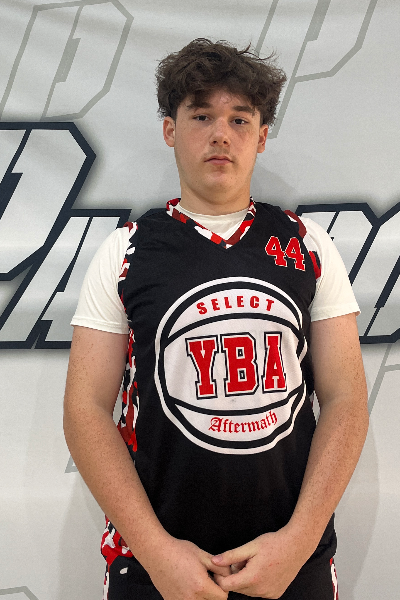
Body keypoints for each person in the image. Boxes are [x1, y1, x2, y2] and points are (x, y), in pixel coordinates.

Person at [64, 38, 369, 600]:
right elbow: (85, 410)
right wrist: (156, 551)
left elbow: (346, 397)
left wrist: (298, 540)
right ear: (170, 130)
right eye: (201, 116)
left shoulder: (307, 244)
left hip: (290, 559)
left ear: (262, 135)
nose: (221, 134)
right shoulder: (126, 251)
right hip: (155, 563)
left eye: (239, 118)